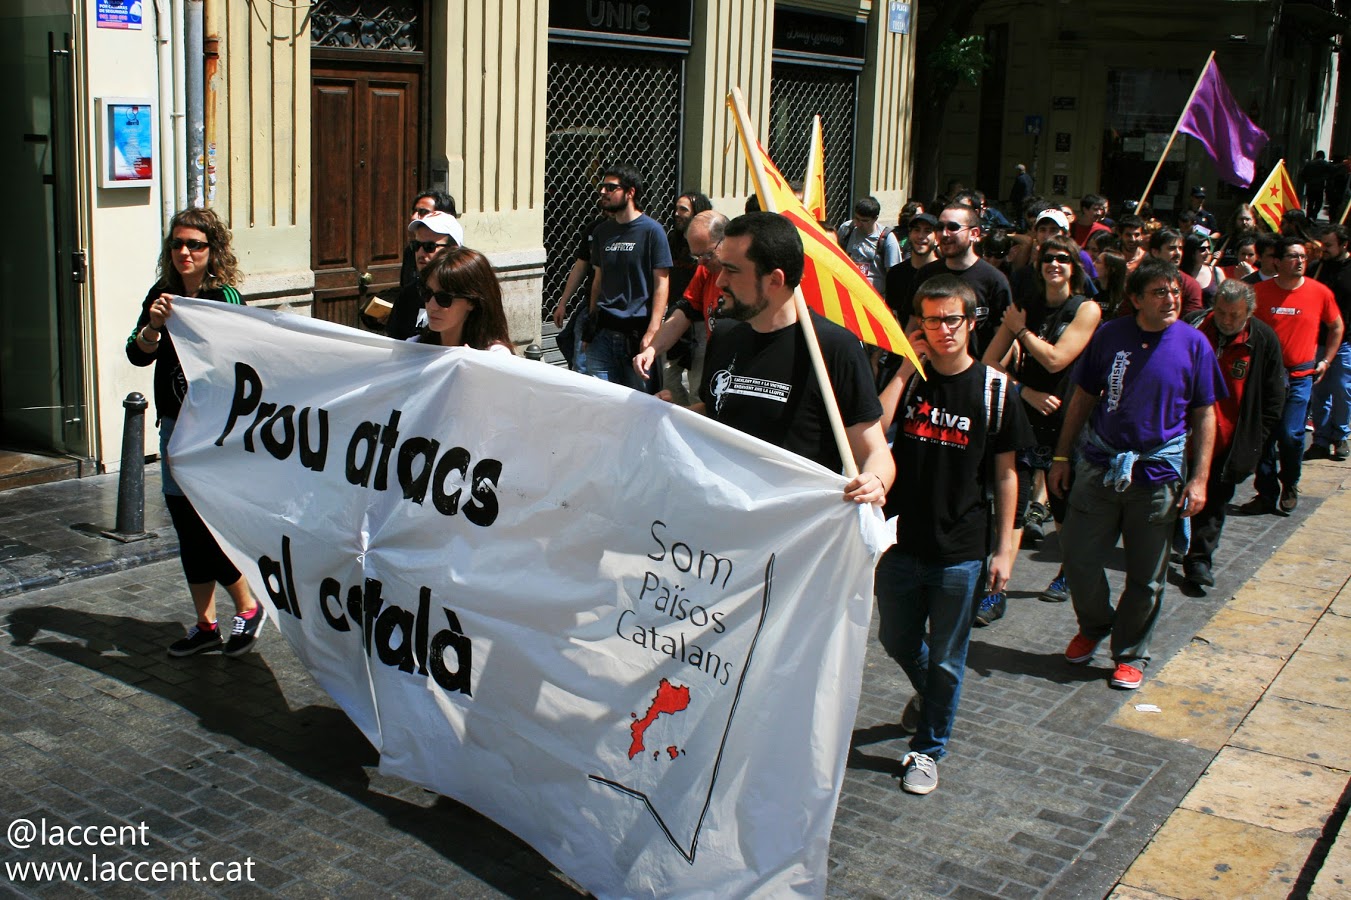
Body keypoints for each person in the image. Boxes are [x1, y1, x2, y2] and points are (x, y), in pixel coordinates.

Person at [875, 275, 1033, 794]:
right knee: (896, 639)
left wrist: (1005, 549)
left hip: (961, 549)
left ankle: (928, 748)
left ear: (971, 322)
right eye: (929, 320)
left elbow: (1008, 474)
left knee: (947, 656)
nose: (942, 330)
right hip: (900, 540)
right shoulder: (910, 377)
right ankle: (934, 697)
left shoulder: (995, 390)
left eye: (952, 320)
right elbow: (874, 432)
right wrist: (903, 365)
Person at [1050, 257, 1225, 690]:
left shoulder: (1193, 343)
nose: (1170, 300)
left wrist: (1199, 478)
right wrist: (1060, 457)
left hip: (1158, 475)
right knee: (1078, 557)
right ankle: (1094, 625)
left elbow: (1205, 414)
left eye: (1174, 292)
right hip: (1098, 466)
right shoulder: (1110, 336)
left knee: (1147, 576)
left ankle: (1130, 652)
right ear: (1135, 299)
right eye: (1159, 293)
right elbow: (1083, 398)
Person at [126, 207, 266, 657]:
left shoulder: (223, 297)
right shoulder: (162, 293)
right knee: (185, 523)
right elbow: (136, 353)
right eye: (178, 244)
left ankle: (247, 605)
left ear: (213, 251)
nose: (185, 253)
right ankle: (205, 626)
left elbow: (242, 356)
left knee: (205, 523)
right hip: (173, 426)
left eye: (196, 245)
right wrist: (154, 326)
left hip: (212, 432)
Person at [700, 211, 894, 497]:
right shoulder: (726, 336)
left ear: (774, 280)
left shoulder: (834, 348)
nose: (719, 282)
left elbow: (874, 450)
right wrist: (658, 413)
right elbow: (711, 410)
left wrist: (874, 482)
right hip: (724, 522)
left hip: (795, 531)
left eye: (732, 270)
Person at [983, 237, 1101, 612]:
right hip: (1024, 416)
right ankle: (997, 589)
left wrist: (1020, 332)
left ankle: (1068, 571)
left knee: (1063, 504)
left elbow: (1055, 360)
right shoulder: (1024, 308)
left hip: (1068, 422)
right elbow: (988, 363)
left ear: (1074, 267)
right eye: (1048, 258)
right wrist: (1024, 392)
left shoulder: (1086, 309)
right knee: (1013, 504)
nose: (1054, 264)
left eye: (1063, 259)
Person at [1185, 281, 1285, 589]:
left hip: (1227, 438)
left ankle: (1199, 559)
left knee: (1214, 501)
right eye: (1222, 313)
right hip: (1182, 435)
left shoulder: (1263, 339)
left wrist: (1256, 440)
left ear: (1250, 312)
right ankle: (1167, 547)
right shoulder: (1196, 327)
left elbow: (1273, 397)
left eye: (1235, 315)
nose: (1227, 321)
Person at [1242, 236, 1344, 514]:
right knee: (1263, 438)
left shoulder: (1319, 292)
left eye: (1303, 257)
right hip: (1264, 378)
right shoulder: (1259, 291)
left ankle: (1290, 482)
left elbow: (1336, 326)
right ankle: (1265, 493)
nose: (1299, 262)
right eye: (1292, 257)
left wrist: (1326, 360)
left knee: (1291, 434)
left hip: (1300, 376)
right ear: (1277, 261)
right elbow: (1243, 327)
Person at [584, 164, 672, 391]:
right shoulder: (602, 232)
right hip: (602, 334)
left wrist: (653, 330)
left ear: (630, 192)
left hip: (636, 335)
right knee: (601, 401)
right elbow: (597, 281)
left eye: (610, 187)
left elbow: (662, 283)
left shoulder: (652, 231)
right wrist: (590, 328)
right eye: (602, 187)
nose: (603, 192)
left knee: (639, 406)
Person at [633, 210, 728, 401]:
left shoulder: (748, 275)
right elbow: (685, 311)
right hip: (717, 366)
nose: (701, 262)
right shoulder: (705, 271)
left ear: (728, 240)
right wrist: (653, 349)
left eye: (707, 255)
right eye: (697, 256)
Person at [911, 203, 1013, 357]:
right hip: (930, 371)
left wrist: (989, 374)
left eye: (953, 227)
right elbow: (913, 324)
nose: (945, 234)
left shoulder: (995, 280)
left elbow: (1004, 337)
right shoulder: (926, 274)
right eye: (940, 227)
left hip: (976, 372)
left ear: (974, 233)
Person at [662, 191, 714, 400]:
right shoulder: (672, 239)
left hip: (700, 324)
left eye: (683, 209)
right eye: (676, 209)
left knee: (697, 387)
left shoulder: (708, 246)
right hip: (677, 318)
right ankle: (683, 415)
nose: (677, 214)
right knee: (668, 379)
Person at [412, 247, 513, 351]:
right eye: (427, 293)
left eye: (444, 298)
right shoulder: (413, 347)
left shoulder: (494, 355)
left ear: (472, 301)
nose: (431, 306)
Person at [387, 211, 464, 340]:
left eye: (430, 246)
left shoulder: (467, 292)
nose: (421, 253)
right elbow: (396, 343)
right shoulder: (408, 294)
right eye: (416, 246)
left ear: (454, 249)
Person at [550, 213, 612, 372]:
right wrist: (562, 303)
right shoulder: (594, 229)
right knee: (581, 365)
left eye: (612, 189)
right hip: (590, 308)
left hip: (620, 314)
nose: (605, 193)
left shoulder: (643, 231)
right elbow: (580, 267)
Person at [1310, 225, 1351, 460]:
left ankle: (1340, 436)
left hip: (1346, 342)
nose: (1323, 250)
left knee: (1343, 391)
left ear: (1343, 245)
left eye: (1328, 246)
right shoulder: (1317, 269)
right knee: (1319, 392)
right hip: (1318, 341)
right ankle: (1321, 438)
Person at [837, 196, 902, 294]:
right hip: (847, 293)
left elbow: (894, 276)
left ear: (875, 218)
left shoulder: (887, 238)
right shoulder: (846, 229)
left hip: (874, 297)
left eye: (864, 221)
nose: (858, 224)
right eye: (856, 219)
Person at [400, 189, 458, 288]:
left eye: (429, 246)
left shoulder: (466, 265)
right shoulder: (410, 252)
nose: (414, 217)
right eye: (416, 245)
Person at [1181, 232, 1225, 306]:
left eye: (1208, 248)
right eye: (1202, 249)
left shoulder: (1216, 272)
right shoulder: (1180, 274)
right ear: (1191, 251)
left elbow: (1224, 300)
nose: (1207, 252)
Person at [1301, 151, 1332, 220]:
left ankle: (1309, 216)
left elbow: (1303, 174)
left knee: (1310, 203)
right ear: (1323, 156)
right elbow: (1330, 174)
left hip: (1310, 186)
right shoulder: (1325, 164)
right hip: (1319, 187)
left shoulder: (1309, 164)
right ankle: (1314, 215)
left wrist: (1307, 181)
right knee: (1318, 203)